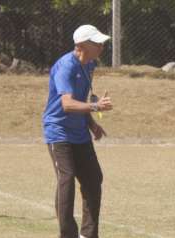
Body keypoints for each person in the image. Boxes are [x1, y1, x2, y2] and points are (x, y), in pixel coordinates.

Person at [42, 24, 113, 238]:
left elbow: (81, 100)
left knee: (93, 178)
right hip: (58, 131)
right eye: (97, 42)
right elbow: (67, 104)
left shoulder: (90, 64)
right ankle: (68, 234)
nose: (101, 46)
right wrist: (96, 106)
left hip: (79, 132)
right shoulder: (66, 66)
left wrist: (92, 124)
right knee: (67, 177)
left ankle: (89, 235)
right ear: (82, 45)